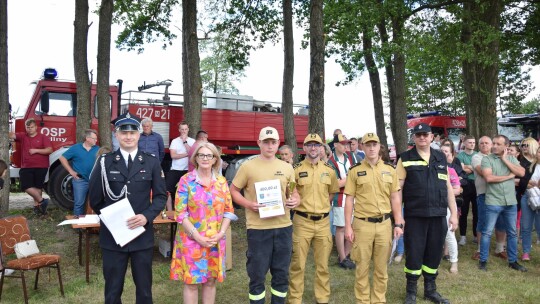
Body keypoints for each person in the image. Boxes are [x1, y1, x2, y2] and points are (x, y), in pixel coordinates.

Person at [89, 112, 167, 304]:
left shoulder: (151, 161)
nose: (129, 136)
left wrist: (146, 217)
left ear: (139, 135)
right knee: (113, 291)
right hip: (113, 238)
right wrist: (113, 219)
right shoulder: (104, 161)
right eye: (124, 133)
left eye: (133, 132)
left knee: (145, 291)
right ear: (116, 135)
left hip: (141, 235)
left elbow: (160, 196)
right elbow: (96, 198)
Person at [230, 126, 299, 304]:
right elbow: (234, 190)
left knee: (281, 275)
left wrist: (295, 201)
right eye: (266, 142)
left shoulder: (287, 167)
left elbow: (294, 191)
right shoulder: (247, 166)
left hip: (283, 227)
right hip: (258, 229)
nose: (270, 146)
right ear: (259, 143)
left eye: (273, 142)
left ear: (278, 144)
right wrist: (248, 204)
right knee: (257, 275)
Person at [396, 123, 458, 304]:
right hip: (415, 215)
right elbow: (397, 190)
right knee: (414, 253)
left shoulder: (440, 157)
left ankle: (430, 290)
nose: (422, 138)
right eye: (418, 135)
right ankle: (411, 292)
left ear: (432, 137)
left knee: (434, 253)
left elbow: (447, 187)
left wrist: (453, 214)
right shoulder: (405, 158)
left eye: (425, 134)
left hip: (438, 214)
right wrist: (399, 217)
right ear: (413, 138)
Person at [170, 142, 237, 304]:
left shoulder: (221, 182)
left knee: (210, 281)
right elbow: (180, 213)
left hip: (215, 240)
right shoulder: (186, 181)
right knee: (192, 283)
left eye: (209, 155)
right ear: (196, 158)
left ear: (215, 159)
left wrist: (221, 234)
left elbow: (229, 211)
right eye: (202, 155)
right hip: (191, 240)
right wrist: (197, 236)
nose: (205, 158)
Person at [344, 132, 403, 303]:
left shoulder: (390, 170)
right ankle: (362, 300)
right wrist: (348, 226)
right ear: (362, 146)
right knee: (362, 267)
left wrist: (398, 223)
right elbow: (349, 199)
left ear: (379, 147)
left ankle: (378, 300)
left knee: (381, 267)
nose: (371, 148)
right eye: (367, 145)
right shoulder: (355, 171)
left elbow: (395, 198)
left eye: (374, 144)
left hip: (384, 224)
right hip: (363, 225)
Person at [287, 133, 339, 304]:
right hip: (302, 222)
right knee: (298, 264)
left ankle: (322, 298)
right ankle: (295, 299)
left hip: (324, 222)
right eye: (310, 144)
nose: (313, 148)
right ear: (305, 148)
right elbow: (290, 193)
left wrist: (322, 208)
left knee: (323, 265)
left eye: (317, 145)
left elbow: (332, 193)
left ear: (322, 148)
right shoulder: (295, 170)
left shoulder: (329, 171)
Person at [478, 135, 526, 272]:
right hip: (493, 201)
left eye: (498, 144)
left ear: (506, 146)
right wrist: (509, 176)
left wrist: (505, 159)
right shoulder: (487, 159)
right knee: (487, 232)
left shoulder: (511, 158)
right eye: (493, 143)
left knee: (511, 233)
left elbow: (521, 173)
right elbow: (489, 178)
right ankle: (483, 261)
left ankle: (513, 261)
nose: (494, 146)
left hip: (510, 201)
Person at [471, 136, 507, 260]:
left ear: (492, 144)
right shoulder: (476, 157)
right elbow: (485, 174)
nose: (484, 145)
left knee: (501, 222)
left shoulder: (498, 157)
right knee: (483, 222)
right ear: (478, 145)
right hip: (484, 193)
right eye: (481, 143)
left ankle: (500, 249)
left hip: (500, 194)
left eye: (487, 143)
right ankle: (481, 250)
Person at [9, 118, 53, 216]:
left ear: (36, 127)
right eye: (27, 127)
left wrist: (36, 151)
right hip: (26, 166)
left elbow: (49, 150)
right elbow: (11, 135)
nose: (29, 129)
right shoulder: (23, 136)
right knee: (26, 186)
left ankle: (38, 208)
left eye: (32, 127)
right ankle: (42, 201)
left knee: (38, 187)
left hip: (41, 166)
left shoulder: (43, 137)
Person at [328, 134, 357, 269]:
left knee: (353, 225)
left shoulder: (351, 156)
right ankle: (342, 257)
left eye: (347, 143)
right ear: (335, 145)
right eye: (342, 143)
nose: (345, 146)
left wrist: (347, 179)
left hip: (353, 196)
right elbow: (336, 184)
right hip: (339, 198)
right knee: (341, 228)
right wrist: (351, 178)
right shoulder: (330, 162)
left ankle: (345, 255)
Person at [59, 129, 100, 216]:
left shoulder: (98, 149)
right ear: (87, 138)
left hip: (95, 181)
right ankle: (78, 224)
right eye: (94, 139)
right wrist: (71, 171)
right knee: (79, 203)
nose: (96, 141)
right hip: (80, 180)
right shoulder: (76, 148)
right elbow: (62, 158)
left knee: (96, 202)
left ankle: (94, 225)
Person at [517, 138, 539, 261]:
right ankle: (526, 252)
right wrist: (528, 183)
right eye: (522, 145)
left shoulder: (537, 163)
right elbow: (519, 180)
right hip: (526, 195)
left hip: (538, 195)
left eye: (526, 145)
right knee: (526, 225)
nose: (523, 147)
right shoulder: (519, 160)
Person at [440, 145, 461, 273]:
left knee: (449, 234)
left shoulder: (450, 170)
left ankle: (454, 263)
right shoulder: (430, 168)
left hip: (446, 207)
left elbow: (456, 190)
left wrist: (444, 192)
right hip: (432, 207)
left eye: (445, 151)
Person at [166, 122, 195, 210]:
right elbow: (173, 156)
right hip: (175, 169)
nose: (184, 131)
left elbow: (192, 153)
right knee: (167, 190)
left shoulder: (192, 141)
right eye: (182, 129)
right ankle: (170, 212)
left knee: (186, 192)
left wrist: (184, 142)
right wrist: (187, 154)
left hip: (187, 170)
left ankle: (183, 210)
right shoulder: (175, 141)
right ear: (179, 130)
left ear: (188, 130)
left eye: (185, 129)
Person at [456, 135, 478, 246]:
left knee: (476, 212)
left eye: (473, 142)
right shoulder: (460, 156)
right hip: (465, 185)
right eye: (470, 142)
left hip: (477, 185)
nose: (472, 144)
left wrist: (469, 167)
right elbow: (463, 170)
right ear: (464, 143)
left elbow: (480, 168)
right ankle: (463, 236)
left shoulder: (478, 155)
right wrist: (473, 168)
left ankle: (475, 235)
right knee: (464, 212)